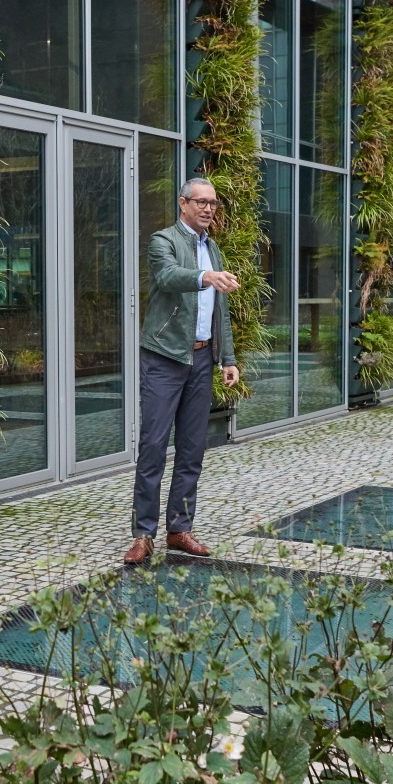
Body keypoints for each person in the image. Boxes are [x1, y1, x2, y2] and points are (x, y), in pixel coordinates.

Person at [124, 177, 241, 565]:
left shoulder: (215, 250)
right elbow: (167, 277)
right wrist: (204, 277)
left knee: (192, 449)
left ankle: (179, 529)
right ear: (183, 204)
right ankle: (144, 534)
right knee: (154, 446)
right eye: (201, 202)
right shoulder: (164, 240)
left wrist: (228, 359)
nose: (208, 209)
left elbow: (220, 310)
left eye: (213, 203)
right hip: (164, 356)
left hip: (202, 359)